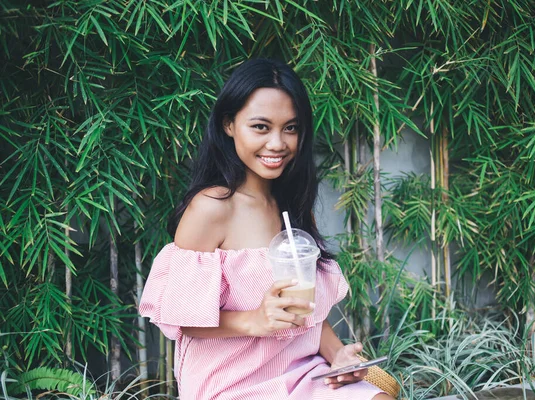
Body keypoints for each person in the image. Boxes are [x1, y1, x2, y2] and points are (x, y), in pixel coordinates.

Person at [139, 59, 395, 400]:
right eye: (261, 127)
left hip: (302, 370)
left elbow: (306, 312)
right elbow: (183, 319)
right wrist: (255, 319)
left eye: (290, 128)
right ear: (229, 124)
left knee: (380, 396)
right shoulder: (211, 209)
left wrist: (339, 357)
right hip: (231, 381)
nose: (277, 143)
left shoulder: (292, 202)